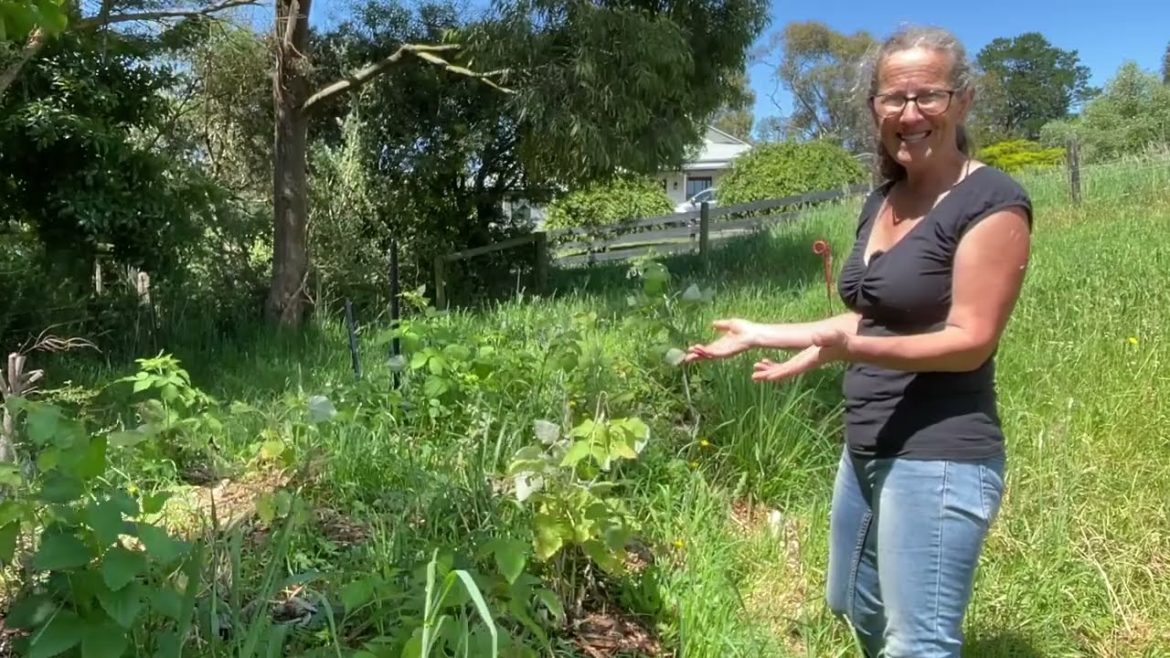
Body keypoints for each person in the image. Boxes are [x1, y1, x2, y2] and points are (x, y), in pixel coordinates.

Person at [682, 24, 1033, 658]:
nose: (910, 113)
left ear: (963, 101)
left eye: (928, 95)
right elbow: (870, 319)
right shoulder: (883, 199)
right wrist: (765, 333)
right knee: (851, 602)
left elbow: (969, 342)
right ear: (875, 109)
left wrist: (847, 350)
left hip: (940, 453)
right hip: (868, 443)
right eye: (893, 99)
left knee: (918, 642)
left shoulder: (991, 202)